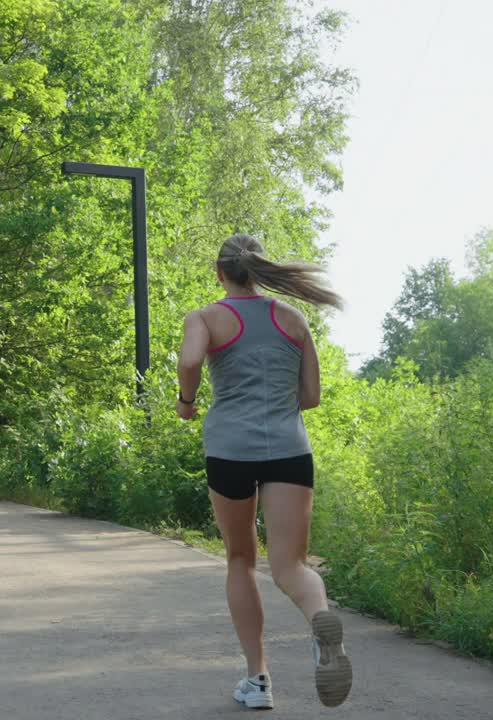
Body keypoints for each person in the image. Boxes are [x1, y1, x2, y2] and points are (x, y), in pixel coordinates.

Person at [174, 233, 351, 710]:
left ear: (220, 272)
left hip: (231, 449)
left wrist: (187, 402)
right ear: (258, 270)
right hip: (290, 450)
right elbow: (310, 398)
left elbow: (191, 360)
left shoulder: (206, 317)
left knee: (240, 560)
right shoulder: (292, 319)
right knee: (291, 564)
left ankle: (258, 681)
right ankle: (320, 621)